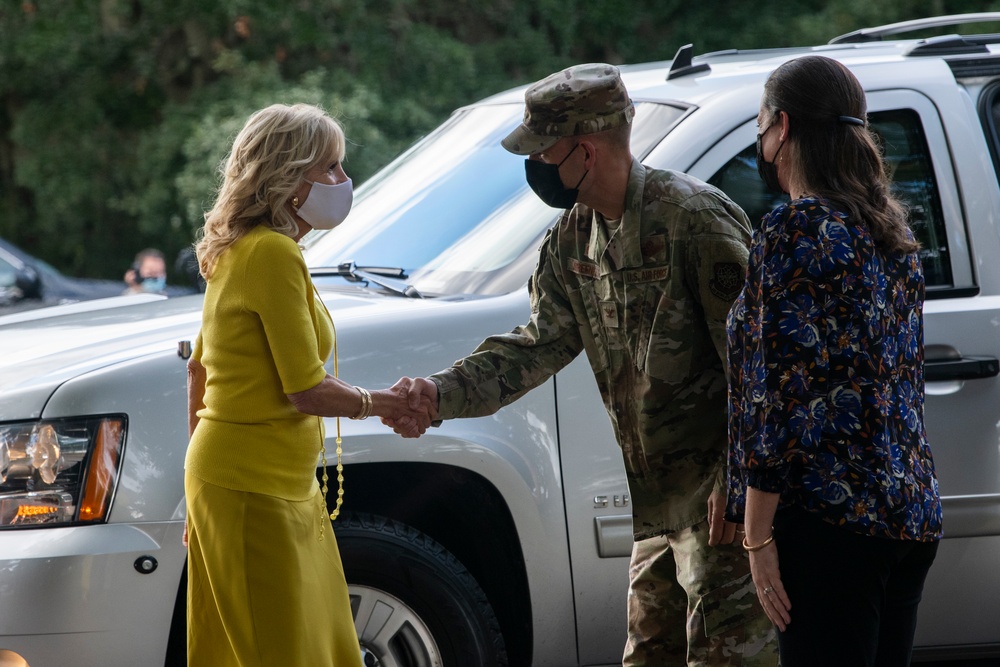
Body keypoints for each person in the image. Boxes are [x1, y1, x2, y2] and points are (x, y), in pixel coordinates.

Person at [386, 64, 777, 665]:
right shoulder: (572, 240)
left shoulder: (694, 221)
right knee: (647, 656)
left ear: (585, 150)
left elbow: (757, 372)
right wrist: (437, 396)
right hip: (658, 509)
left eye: (542, 151)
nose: (534, 166)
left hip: (717, 507)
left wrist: (739, 486)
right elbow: (534, 347)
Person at [184, 103, 432, 667]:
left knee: (306, 645)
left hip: (263, 483)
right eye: (332, 169)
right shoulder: (269, 253)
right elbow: (304, 389)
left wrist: (196, 496)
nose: (344, 183)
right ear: (289, 178)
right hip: (253, 486)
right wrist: (381, 403)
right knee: (284, 650)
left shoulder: (245, 250)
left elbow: (198, 370)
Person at [725, 55, 943, 666]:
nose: (760, 138)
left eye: (761, 124)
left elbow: (780, 397)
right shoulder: (890, 232)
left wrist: (757, 533)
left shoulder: (795, 228)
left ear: (783, 129)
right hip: (909, 512)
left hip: (830, 519)